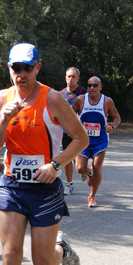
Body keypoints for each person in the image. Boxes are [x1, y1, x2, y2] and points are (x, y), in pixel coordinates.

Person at [0, 43, 88, 265]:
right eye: (16, 68)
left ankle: (62, 249)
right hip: (13, 185)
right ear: (9, 69)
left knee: (42, 263)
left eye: (27, 68)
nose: (21, 74)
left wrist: (56, 164)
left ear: (38, 68)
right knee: (10, 255)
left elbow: (80, 138)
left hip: (45, 187)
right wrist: (3, 119)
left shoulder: (52, 99)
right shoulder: (1, 98)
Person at [73, 76, 121, 208]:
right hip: (83, 140)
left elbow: (117, 117)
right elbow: (71, 114)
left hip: (100, 140)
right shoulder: (80, 100)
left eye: (95, 85)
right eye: (89, 85)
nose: (92, 88)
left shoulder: (107, 101)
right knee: (80, 168)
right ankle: (89, 173)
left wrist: (112, 126)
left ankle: (92, 196)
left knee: (97, 166)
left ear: (100, 87)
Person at [60, 67, 87, 196]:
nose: (71, 79)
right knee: (67, 159)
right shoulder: (60, 94)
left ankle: (84, 170)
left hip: (80, 132)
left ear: (78, 79)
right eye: (68, 76)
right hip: (65, 132)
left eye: (73, 77)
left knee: (78, 163)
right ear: (65, 78)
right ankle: (69, 184)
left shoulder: (84, 93)